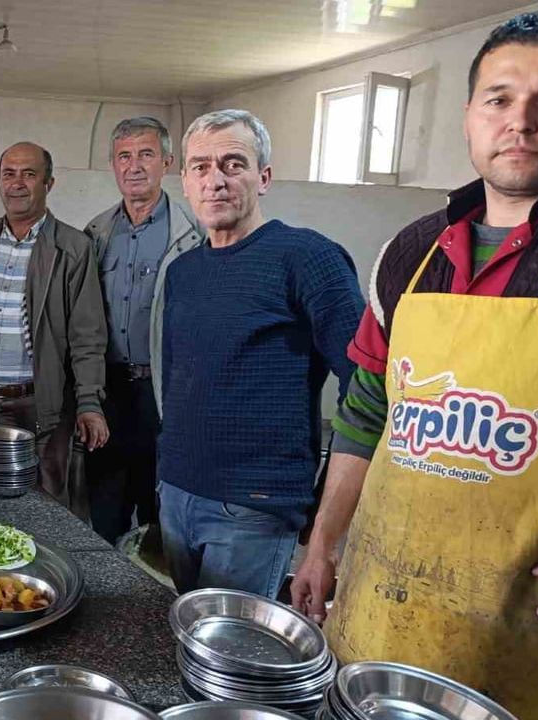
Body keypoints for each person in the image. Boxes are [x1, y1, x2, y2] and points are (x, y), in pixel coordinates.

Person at [291, 12, 538, 715]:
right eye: (500, 98)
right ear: (469, 117)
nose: (522, 120)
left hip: (528, 643)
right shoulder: (410, 251)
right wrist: (322, 542)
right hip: (386, 619)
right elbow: (365, 411)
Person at [157, 110, 363, 598]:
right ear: (184, 181)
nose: (216, 181)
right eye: (201, 167)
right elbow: (177, 381)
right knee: (183, 644)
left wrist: (326, 526)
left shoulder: (306, 257)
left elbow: (368, 386)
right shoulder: (182, 271)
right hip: (176, 494)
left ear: (263, 177)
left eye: (233, 164)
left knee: (233, 661)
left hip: (253, 506)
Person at [0, 141, 110, 518]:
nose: (17, 183)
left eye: (29, 174)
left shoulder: (74, 248)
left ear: (49, 183)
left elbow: (87, 334)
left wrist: (90, 402)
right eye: (8, 174)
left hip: (41, 409)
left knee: (44, 513)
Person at [83, 116, 203, 544]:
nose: (134, 167)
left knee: (160, 514)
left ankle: (154, 605)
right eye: (124, 157)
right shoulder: (95, 234)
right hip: (108, 395)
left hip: (163, 395)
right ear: (113, 166)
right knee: (104, 511)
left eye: (146, 155)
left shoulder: (194, 235)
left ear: (168, 162)